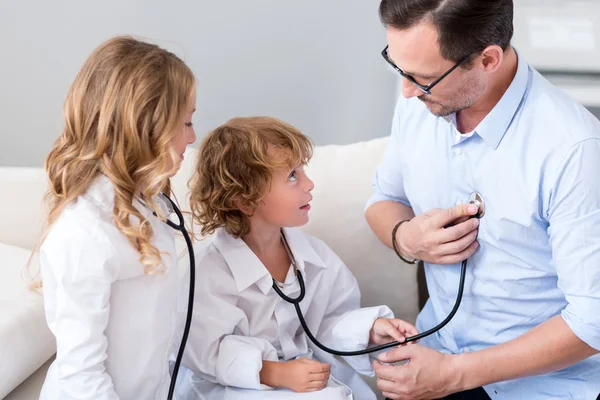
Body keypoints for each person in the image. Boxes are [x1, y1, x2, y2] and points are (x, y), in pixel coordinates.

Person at [365, 0, 600, 399]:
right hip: (434, 360)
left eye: (422, 78)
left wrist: (455, 374)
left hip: (540, 387)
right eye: (399, 68)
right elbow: (383, 199)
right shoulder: (420, 102)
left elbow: (593, 321)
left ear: (488, 59)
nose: (406, 91)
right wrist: (405, 238)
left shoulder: (574, 149)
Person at [175, 116, 418, 399]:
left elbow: (329, 320)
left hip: (305, 375)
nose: (309, 183)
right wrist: (274, 372)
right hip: (233, 385)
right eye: (292, 176)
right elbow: (205, 351)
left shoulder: (314, 256)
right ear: (244, 199)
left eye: (302, 171)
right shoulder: (209, 273)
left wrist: (370, 329)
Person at [37, 36, 196, 399]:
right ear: (144, 126)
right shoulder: (85, 233)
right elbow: (82, 376)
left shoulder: (147, 207)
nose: (192, 137)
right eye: (186, 123)